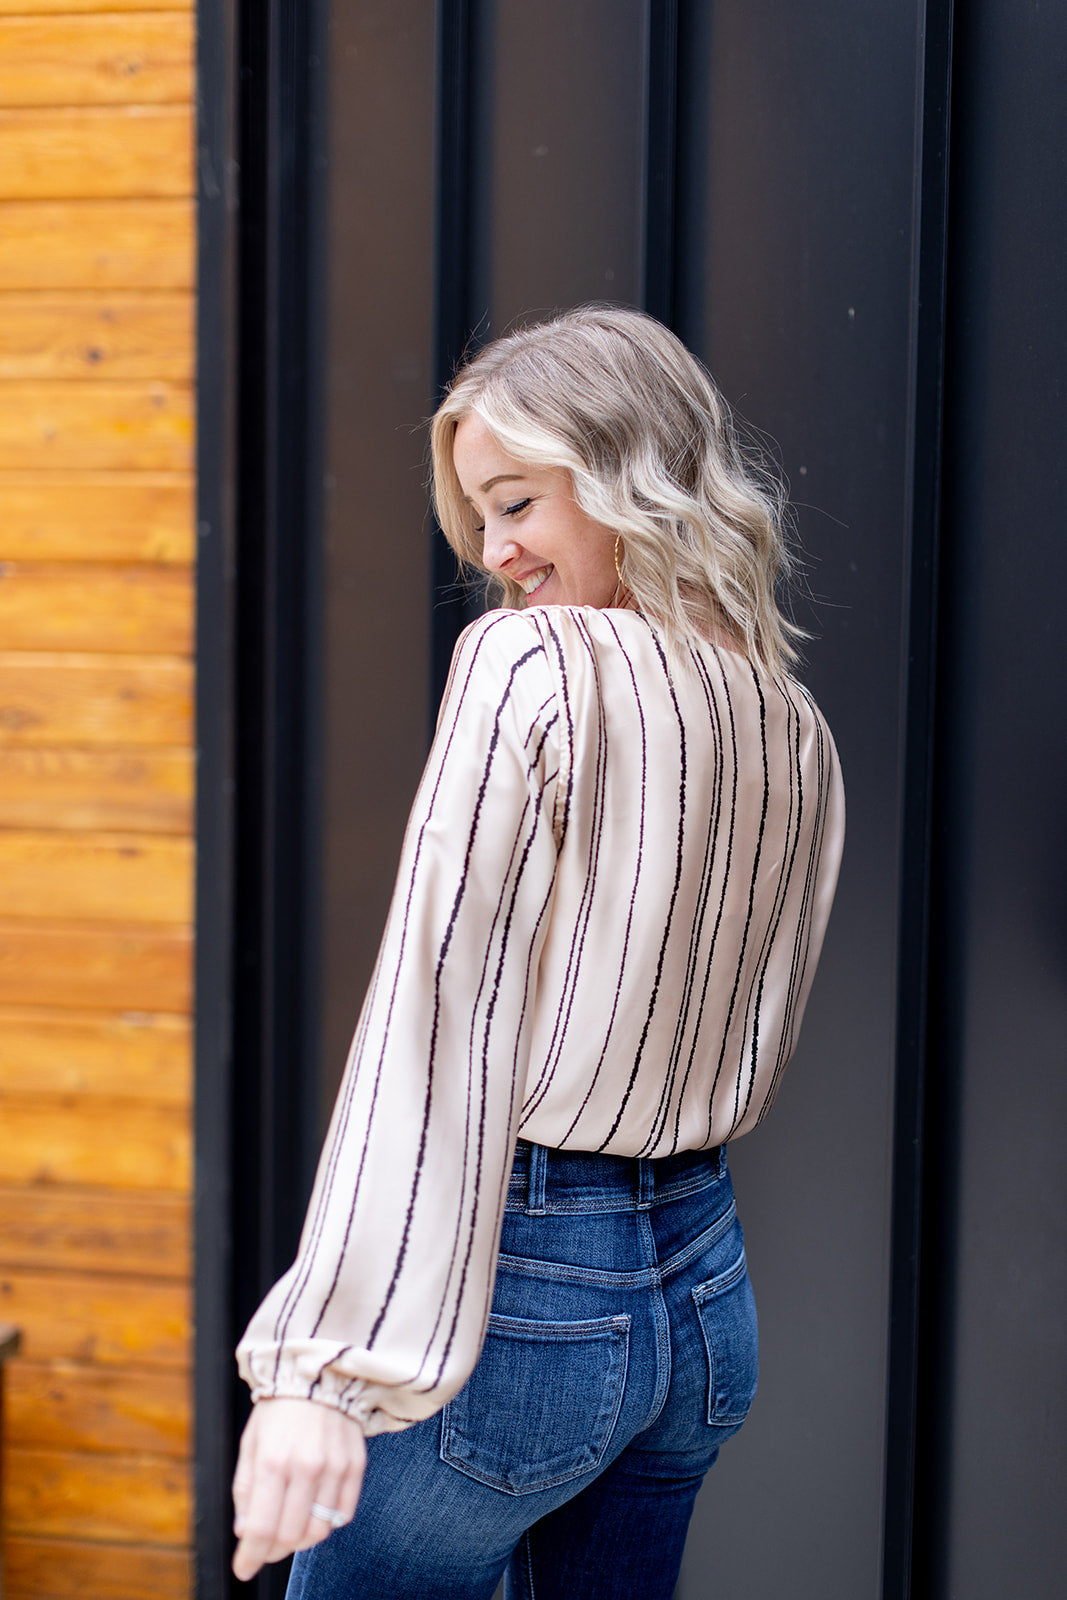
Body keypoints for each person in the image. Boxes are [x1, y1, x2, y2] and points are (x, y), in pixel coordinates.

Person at [231, 304, 845, 1598]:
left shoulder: (530, 664)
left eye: (515, 503)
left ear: (630, 471)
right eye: (480, 520)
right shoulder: (793, 725)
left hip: (526, 1305)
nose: (497, 554)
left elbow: (434, 1014)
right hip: (704, 1304)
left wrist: (321, 1371)